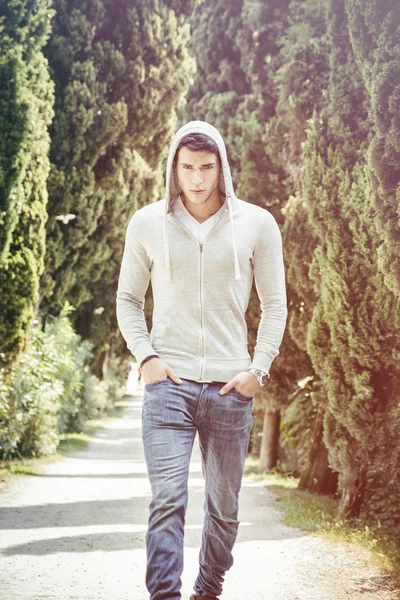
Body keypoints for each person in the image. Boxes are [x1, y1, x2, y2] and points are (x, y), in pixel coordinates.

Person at [116, 120, 287, 600]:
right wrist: (146, 357)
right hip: (168, 383)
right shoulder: (147, 223)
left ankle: (208, 588)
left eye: (206, 167)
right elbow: (128, 298)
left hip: (230, 389)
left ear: (222, 167)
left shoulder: (256, 224)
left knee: (224, 506)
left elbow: (275, 304)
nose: (196, 178)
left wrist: (258, 369)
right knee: (168, 498)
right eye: (187, 167)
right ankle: (165, 595)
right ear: (173, 166)